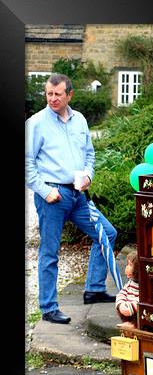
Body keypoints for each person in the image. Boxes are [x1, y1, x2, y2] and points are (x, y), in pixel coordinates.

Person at [26, 73, 117, 325]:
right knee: (50, 252)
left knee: (107, 233)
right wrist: (45, 191)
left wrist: (88, 175)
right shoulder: (36, 123)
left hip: (79, 195)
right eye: (49, 94)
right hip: (52, 196)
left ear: (69, 95)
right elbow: (27, 163)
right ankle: (48, 307)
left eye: (57, 94)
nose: (52, 99)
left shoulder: (80, 120)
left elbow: (89, 154)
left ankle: (94, 289)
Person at [116, 250, 139, 328]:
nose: (126, 267)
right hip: (126, 308)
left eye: (130, 265)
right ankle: (128, 322)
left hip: (134, 311)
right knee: (119, 307)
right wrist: (121, 304)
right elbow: (122, 293)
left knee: (141, 310)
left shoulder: (143, 285)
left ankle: (135, 324)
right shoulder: (130, 282)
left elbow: (142, 300)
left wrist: (130, 308)